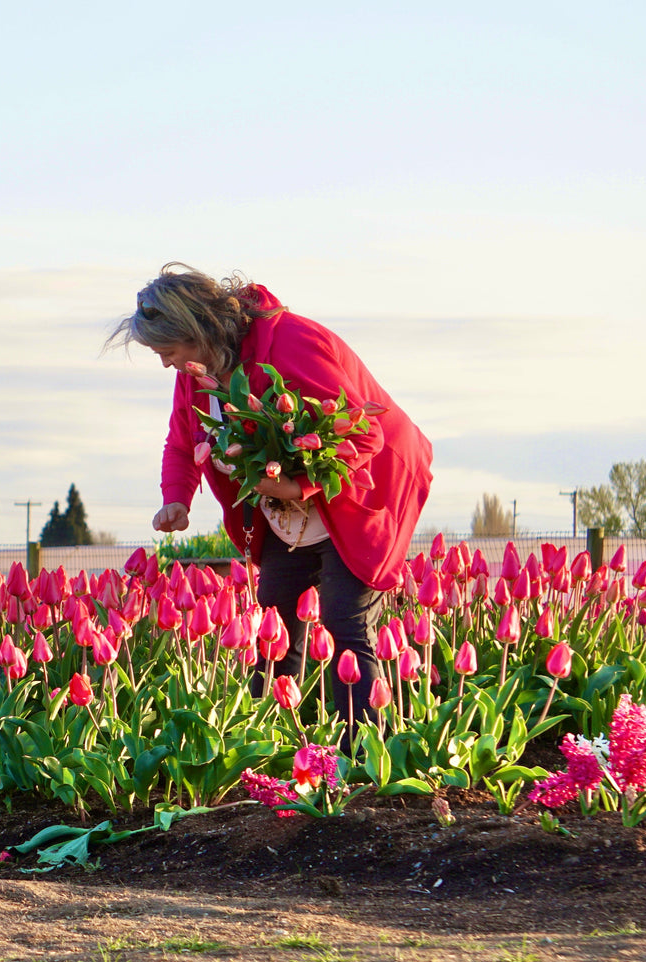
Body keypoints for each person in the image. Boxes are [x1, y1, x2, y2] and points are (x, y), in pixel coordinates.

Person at [111, 264, 433, 723]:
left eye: (168, 349)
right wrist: (176, 497)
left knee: (345, 616)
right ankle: (280, 748)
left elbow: (364, 435)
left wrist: (297, 483)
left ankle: (363, 754)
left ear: (197, 329)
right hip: (286, 506)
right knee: (274, 616)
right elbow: (183, 440)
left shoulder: (291, 345)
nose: (166, 363)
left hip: (362, 487)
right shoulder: (196, 369)